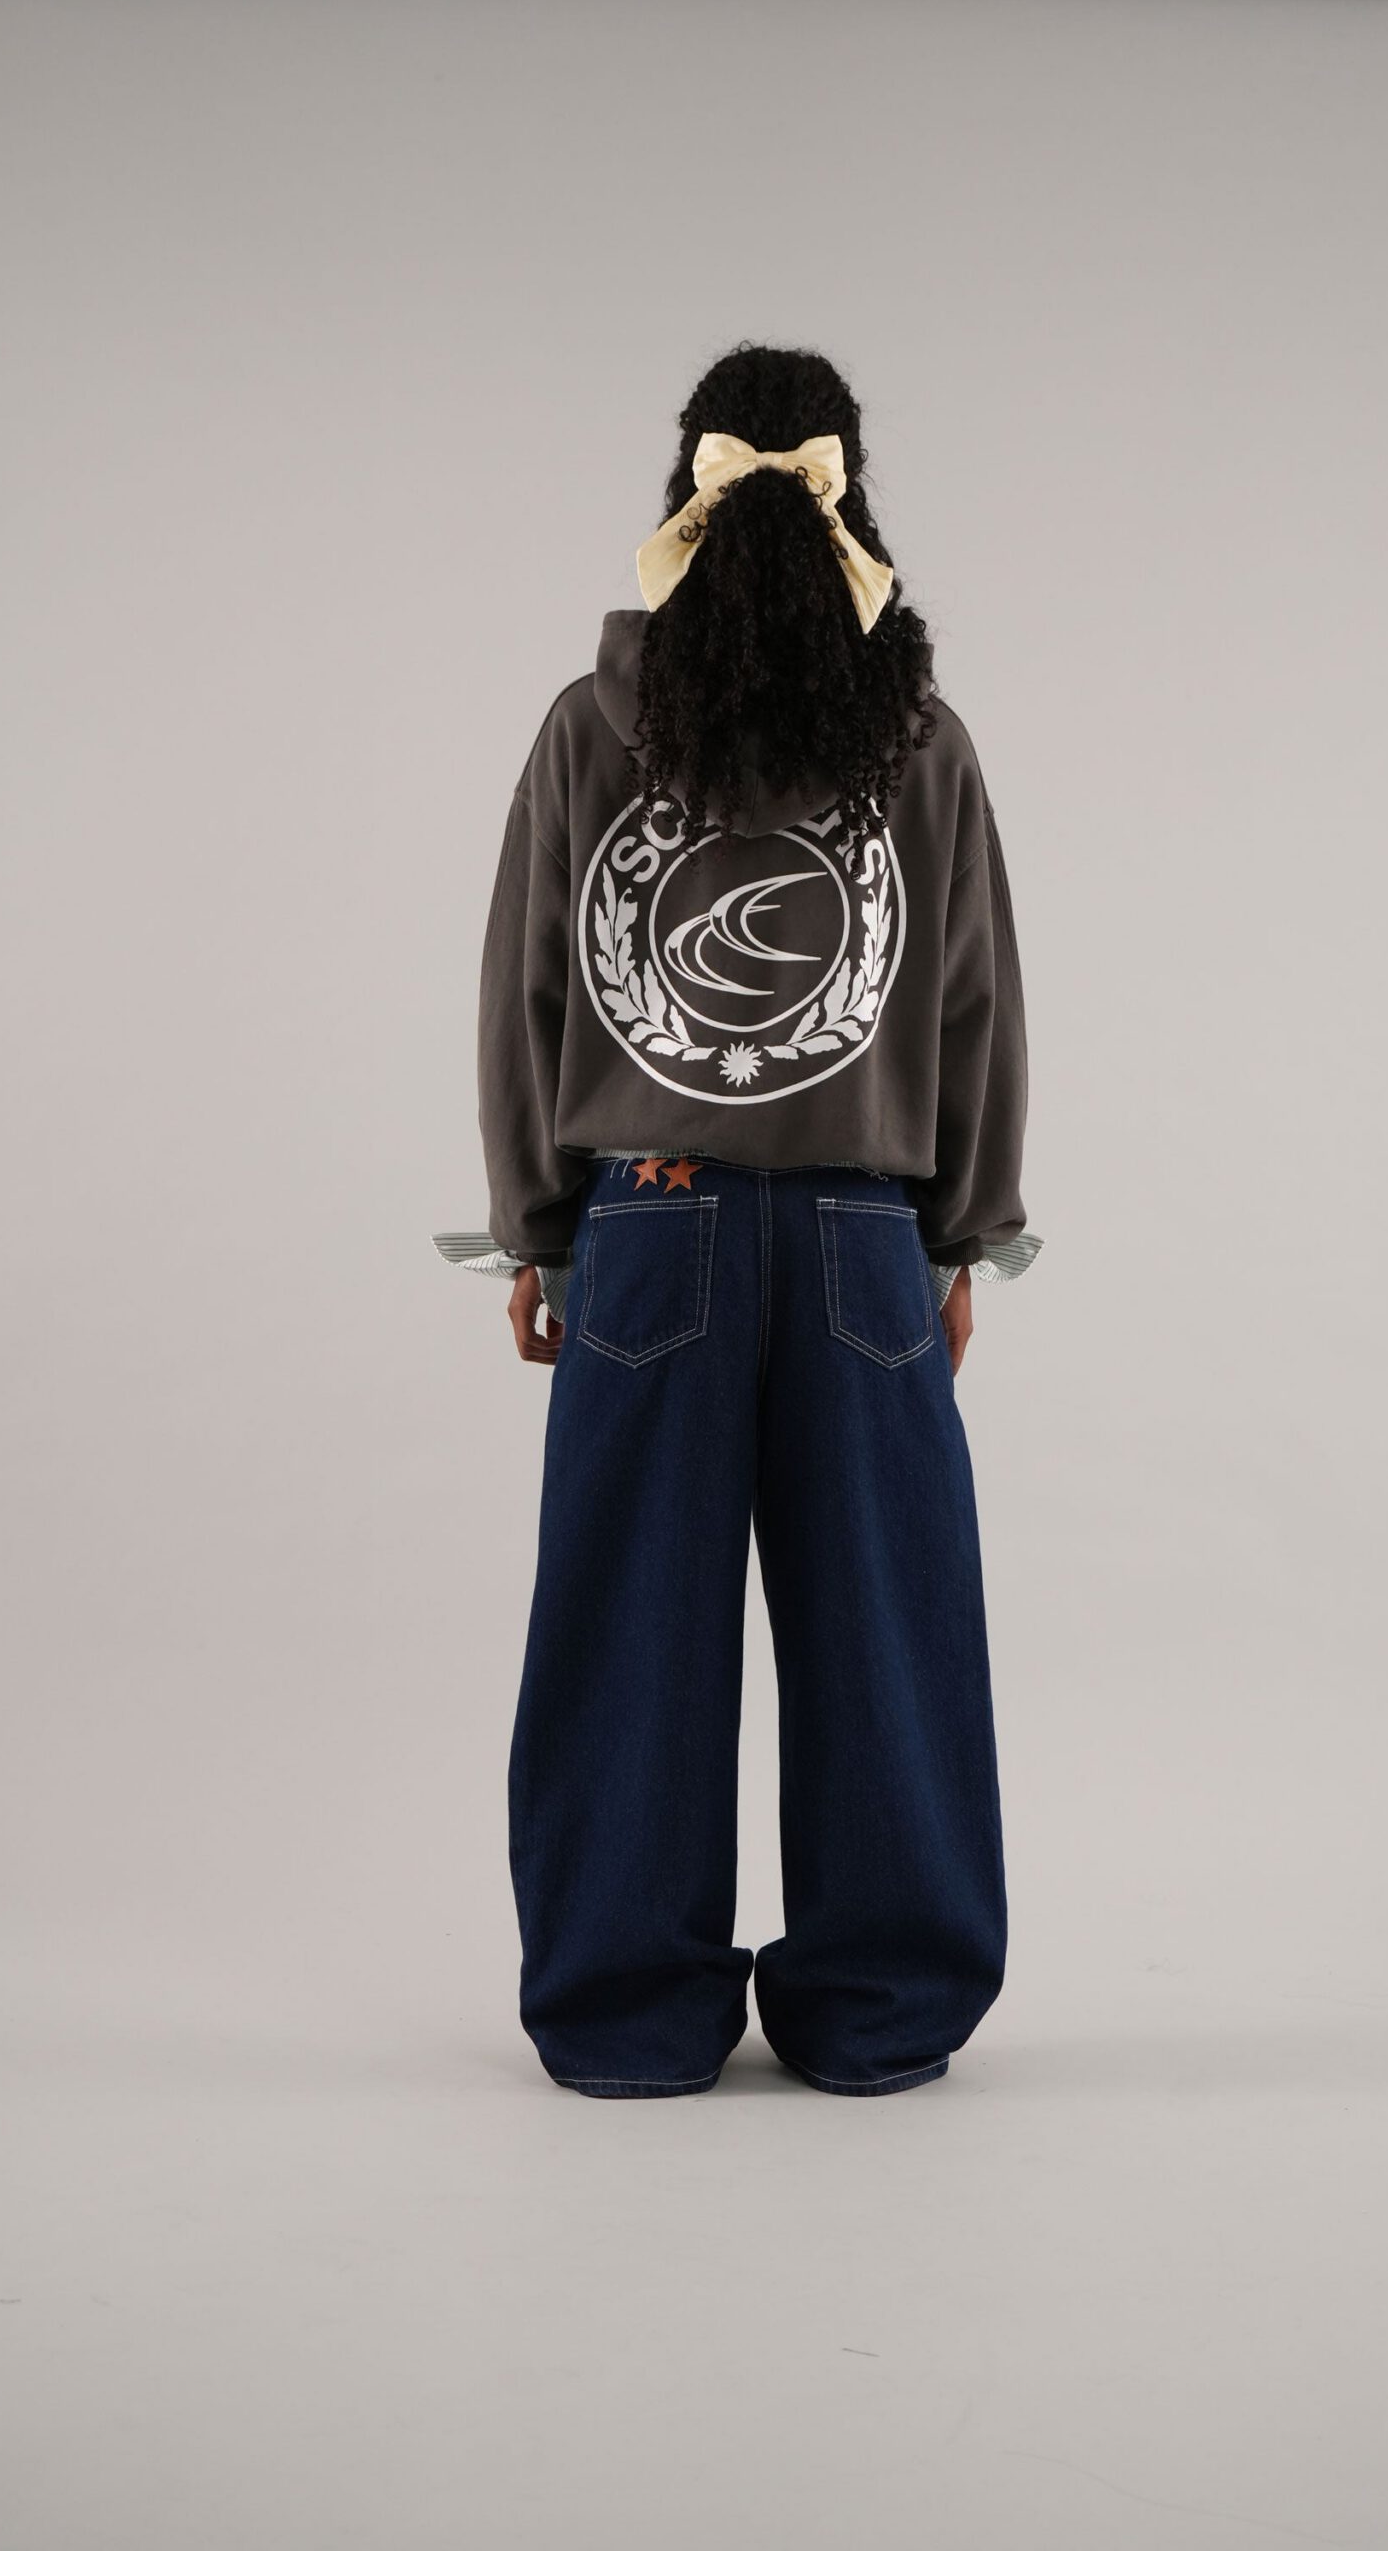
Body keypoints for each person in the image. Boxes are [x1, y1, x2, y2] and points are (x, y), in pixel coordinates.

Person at [435, 342, 1041, 2099]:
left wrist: (538, 1232)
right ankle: (883, 2006)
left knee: (627, 1630)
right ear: (852, 498)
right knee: (888, 1632)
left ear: (686, 502)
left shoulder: (591, 725)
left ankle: (626, 2012)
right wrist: (960, 1236)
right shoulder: (921, 739)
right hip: (864, 1237)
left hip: (649, 1229)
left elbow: (531, 994)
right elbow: (973, 1005)